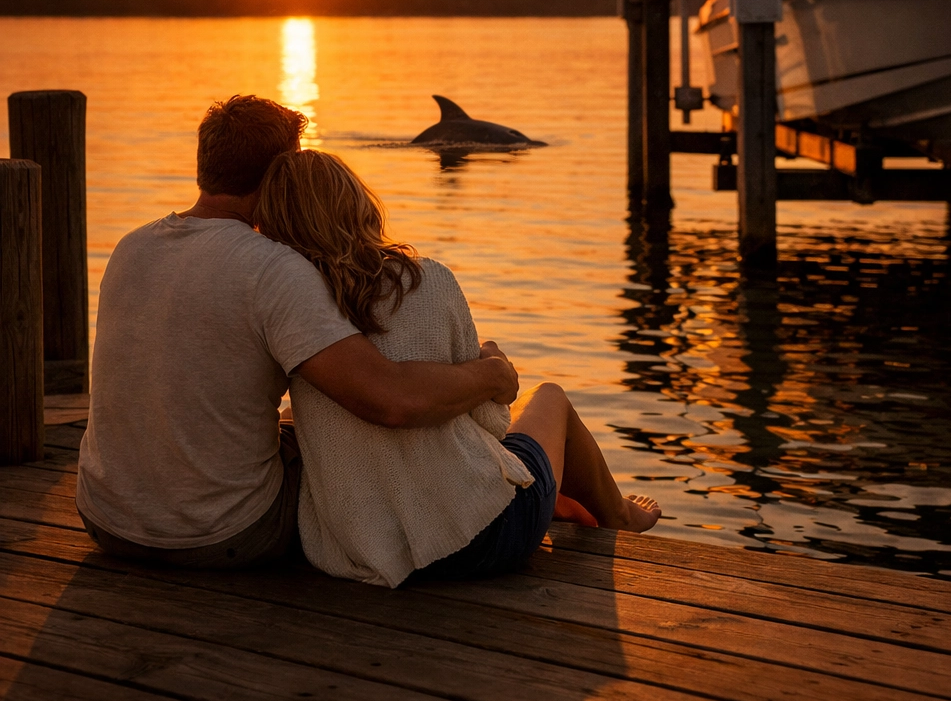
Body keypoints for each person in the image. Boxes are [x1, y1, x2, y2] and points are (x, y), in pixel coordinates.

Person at [76, 95, 518, 569]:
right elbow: (390, 401)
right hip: (225, 533)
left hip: (107, 519)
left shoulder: (132, 246)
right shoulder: (272, 269)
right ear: (282, 173)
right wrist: (490, 376)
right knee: (351, 449)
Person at [255, 148, 661, 588]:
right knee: (551, 399)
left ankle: (559, 497)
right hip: (481, 538)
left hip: (357, 551)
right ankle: (618, 514)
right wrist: (490, 363)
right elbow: (490, 420)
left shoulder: (290, 312)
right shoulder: (426, 280)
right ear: (357, 204)